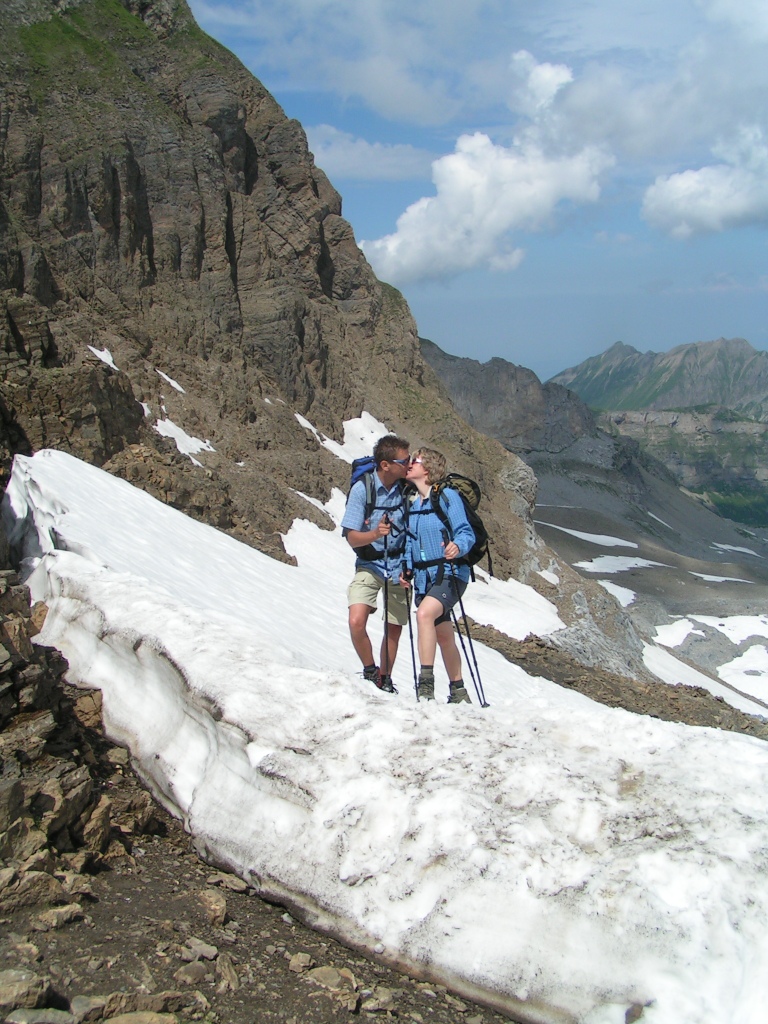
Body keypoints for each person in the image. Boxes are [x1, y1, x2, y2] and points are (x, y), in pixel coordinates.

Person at [403, 447, 474, 704]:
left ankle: (425, 687)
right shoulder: (414, 504)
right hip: (425, 579)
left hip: (451, 573)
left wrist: (458, 546)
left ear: (429, 468)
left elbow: (466, 532)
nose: (409, 464)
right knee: (443, 634)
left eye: (415, 461)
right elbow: (411, 544)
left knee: (424, 615)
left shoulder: (447, 497)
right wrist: (406, 570)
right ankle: (459, 691)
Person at [341, 434, 410, 692]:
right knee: (356, 620)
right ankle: (371, 670)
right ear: (386, 465)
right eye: (405, 461)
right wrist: (375, 534)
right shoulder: (363, 489)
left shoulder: (406, 489)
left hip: (398, 567)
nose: (409, 465)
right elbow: (351, 537)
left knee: (393, 628)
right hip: (370, 564)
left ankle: (386, 677)